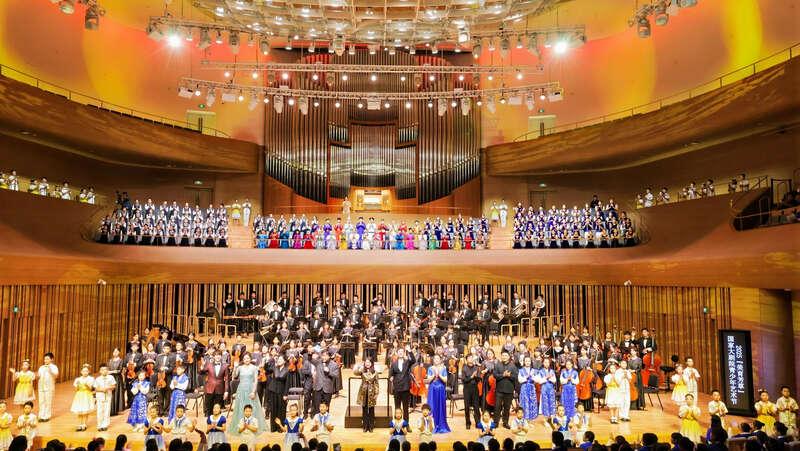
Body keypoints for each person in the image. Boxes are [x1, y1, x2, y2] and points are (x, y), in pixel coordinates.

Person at [229, 354, 266, 438]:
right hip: (241, 389)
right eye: (245, 358)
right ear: (243, 359)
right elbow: (234, 376)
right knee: (241, 407)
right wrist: (235, 368)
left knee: (252, 406)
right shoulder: (240, 367)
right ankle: (241, 425)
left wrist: (253, 392)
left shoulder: (254, 368)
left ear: (250, 359)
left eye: (248, 358)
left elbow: (255, 381)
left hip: (250, 389)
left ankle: (252, 426)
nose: (246, 359)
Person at [425, 354, 450, 433]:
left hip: (440, 389)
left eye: (438, 358)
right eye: (435, 358)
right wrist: (433, 375)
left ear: (440, 360)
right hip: (432, 390)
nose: (436, 360)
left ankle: (441, 425)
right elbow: (428, 380)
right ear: (433, 360)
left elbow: (445, 380)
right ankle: (432, 426)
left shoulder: (443, 368)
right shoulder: (430, 368)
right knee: (431, 406)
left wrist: (439, 375)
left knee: (440, 407)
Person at [493, 350, 518, 428]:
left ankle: (505, 422)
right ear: (501, 356)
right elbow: (495, 375)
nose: (504, 357)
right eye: (503, 355)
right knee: (497, 407)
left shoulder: (513, 366)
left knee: (507, 408)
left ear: (509, 357)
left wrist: (509, 375)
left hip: (509, 390)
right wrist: (503, 375)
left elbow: (515, 377)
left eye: (506, 355)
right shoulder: (497, 365)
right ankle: (496, 422)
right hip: (499, 390)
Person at [200, 352, 230, 417]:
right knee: (208, 408)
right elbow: (202, 372)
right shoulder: (209, 364)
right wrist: (202, 367)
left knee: (217, 407)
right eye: (216, 355)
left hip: (220, 388)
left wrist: (226, 391)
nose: (217, 356)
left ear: (221, 356)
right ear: (214, 357)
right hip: (209, 388)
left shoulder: (225, 366)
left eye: (219, 355)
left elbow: (227, 379)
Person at [389, 348, 415, 421]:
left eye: (402, 352)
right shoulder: (394, 363)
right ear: (397, 353)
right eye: (399, 351)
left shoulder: (407, 362)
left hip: (405, 387)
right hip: (397, 388)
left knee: (405, 407)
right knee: (397, 407)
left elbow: (413, 360)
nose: (400, 353)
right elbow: (390, 374)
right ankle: (397, 423)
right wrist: (391, 377)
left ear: (404, 353)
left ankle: (406, 423)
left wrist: (410, 351)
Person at [355, 359, 380, 433]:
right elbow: (355, 372)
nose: (367, 363)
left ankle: (371, 426)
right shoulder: (362, 371)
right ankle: (365, 426)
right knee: (364, 409)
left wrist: (376, 393)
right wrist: (358, 367)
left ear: (371, 363)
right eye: (366, 362)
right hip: (363, 391)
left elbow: (376, 383)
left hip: (372, 392)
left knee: (371, 410)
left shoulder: (375, 372)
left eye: (369, 362)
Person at [461, 354, 482, 429]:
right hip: (467, 389)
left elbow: (479, 379)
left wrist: (475, 377)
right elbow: (463, 380)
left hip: (475, 389)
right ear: (466, 360)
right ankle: (468, 422)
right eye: (469, 358)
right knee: (467, 407)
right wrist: (471, 377)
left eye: (472, 358)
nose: (471, 359)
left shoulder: (476, 368)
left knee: (476, 406)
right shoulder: (464, 368)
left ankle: (478, 422)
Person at [71, 364, 95, 431]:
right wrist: (78, 385)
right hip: (79, 395)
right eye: (83, 371)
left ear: (89, 372)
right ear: (81, 372)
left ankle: (84, 424)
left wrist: (86, 384)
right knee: (80, 410)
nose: (85, 372)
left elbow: (91, 388)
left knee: (85, 409)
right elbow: (76, 389)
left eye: (86, 371)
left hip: (87, 395)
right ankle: (79, 424)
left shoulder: (91, 379)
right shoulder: (78, 379)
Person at [94, 364, 117, 431]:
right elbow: (96, 389)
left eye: (105, 369)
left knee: (107, 411)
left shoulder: (111, 377)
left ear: (107, 370)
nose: (104, 371)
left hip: (108, 396)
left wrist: (108, 388)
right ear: (100, 371)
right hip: (100, 396)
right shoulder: (97, 379)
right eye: (102, 370)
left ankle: (105, 425)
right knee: (100, 411)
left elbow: (114, 386)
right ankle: (99, 425)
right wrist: (102, 390)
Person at [36, 353, 59, 422]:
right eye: (45, 359)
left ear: (52, 359)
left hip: (49, 387)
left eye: (47, 359)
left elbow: (56, 375)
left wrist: (50, 370)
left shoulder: (54, 367)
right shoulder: (41, 367)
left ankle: (47, 416)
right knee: (41, 402)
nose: (45, 360)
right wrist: (37, 376)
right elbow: (38, 376)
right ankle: (41, 416)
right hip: (41, 387)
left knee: (48, 402)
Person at [517, 356, 538, 421]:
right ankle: (524, 418)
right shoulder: (521, 370)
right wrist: (526, 377)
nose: (527, 362)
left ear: (531, 362)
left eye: (529, 361)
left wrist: (532, 377)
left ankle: (531, 418)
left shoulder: (534, 370)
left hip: (532, 388)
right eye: (526, 361)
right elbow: (519, 380)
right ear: (524, 362)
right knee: (524, 402)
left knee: (532, 402)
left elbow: (537, 379)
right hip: (524, 387)